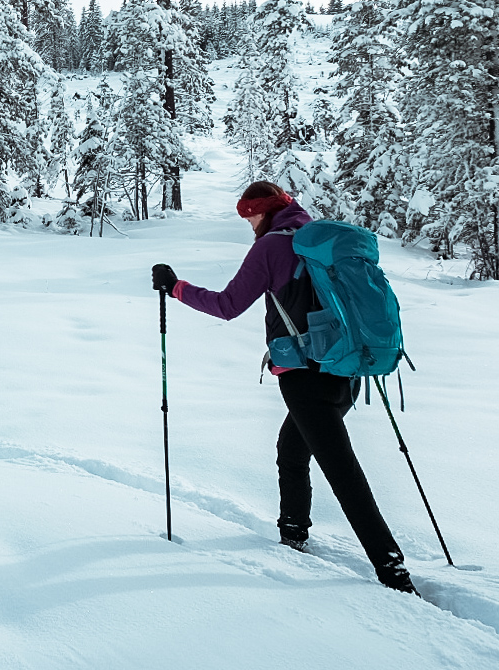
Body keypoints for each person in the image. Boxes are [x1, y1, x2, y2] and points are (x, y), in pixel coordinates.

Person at [151, 180, 418, 594]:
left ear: (262, 211)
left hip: (304, 378)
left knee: (344, 474)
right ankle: (293, 533)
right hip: (345, 373)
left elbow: (227, 306)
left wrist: (176, 287)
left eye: (249, 215)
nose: (249, 224)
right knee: (291, 449)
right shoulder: (318, 240)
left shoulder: (272, 247)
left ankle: (392, 570)